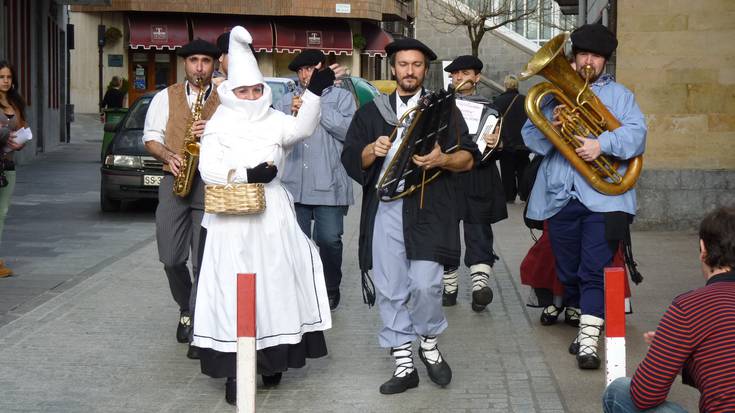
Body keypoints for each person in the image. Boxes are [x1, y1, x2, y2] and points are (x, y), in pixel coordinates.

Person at [192, 26, 336, 405]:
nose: (252, 96)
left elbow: (302, 128)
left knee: (275, 287)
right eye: (244, 90)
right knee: (231, 293)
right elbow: (208, 170)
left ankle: (272, 359)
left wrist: (315, 93)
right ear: (231, 92)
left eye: (257, 90)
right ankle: (234, 371)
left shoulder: (274, 119)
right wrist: (246, 175)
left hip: (271, 216)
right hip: (231, 220)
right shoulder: (219, 123)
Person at [341, 38, 479, 394]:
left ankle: (428, 343)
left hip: (428, 207)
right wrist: (371, 150)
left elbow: (468, 156)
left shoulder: (442, 111)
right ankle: (404, 359)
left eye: (417, 65)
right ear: (393, 68)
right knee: (390, 287)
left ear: (424, 70)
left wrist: (442, 159)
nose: (410, 71)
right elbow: (351, 158)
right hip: (385, 209)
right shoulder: (372, 113)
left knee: (426, 284)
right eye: (403, 64)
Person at [521, 23, 647, 370]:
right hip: (561, 197)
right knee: (568, 267)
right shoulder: (551, 94)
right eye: (583, 55)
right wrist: (556, 128)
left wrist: (601, 144)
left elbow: (637, 136)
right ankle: (584, 313)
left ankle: (589, 340)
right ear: (573, 58)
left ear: (605, 61)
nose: (588, 62)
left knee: (596, 268)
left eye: (596, 57)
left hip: (606, 201)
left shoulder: (621, 97)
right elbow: (530, 138)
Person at [602, 206, 735, 413]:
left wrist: (673, 352)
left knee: (619, 391)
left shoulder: (691, 307)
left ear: (703, 249)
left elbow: (643, 395)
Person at [142, 39, 221, 359]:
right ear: (184, 64)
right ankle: (185, 304)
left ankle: (196, 318)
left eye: (205, 61)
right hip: (175, 179)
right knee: (171, 257)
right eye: (194, 61)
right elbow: (150, 137)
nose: (200, 67)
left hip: (210, 183)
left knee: (204, 260)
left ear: (214, 65)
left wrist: (214, 132)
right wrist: (169, 155)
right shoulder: (166, 96)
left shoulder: (224, 99)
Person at [278, 49, 356, 310]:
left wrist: (315, 108)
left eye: (309, 69)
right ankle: (302, 288)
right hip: (292, 185)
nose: (304, 75)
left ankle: (331, 285)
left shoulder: (342, 98)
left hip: (328, 184)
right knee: (295, 242)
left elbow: (349, 131)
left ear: (321, 69)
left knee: (329, 239)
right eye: (300, 70)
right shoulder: (286, 99)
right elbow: (273, 133)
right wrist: (290, 112)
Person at [441, 55, 507, 311]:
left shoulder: (492, 109)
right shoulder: (440, 106)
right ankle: (449, 285)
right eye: (455, 74)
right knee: (445, 229)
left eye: (465, 73)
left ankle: (480, 287)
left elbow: (500, 148)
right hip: (447, 174)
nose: (459, 77)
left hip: (479, 175)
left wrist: (497, 144)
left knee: (479, 230)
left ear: (477, 77)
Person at [0, 61, 29, 278]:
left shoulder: (16, 104)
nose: (6, 81)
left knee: (2, 212)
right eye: (1, 77)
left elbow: (23, 128)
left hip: (8, 165)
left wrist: (22, 141)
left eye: (9, 77)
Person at [493, 74, 530, 203]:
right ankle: (525, 195)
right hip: (523, 142)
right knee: (523, 169)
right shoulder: (525, 100)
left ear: (505, 85)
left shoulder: (498, 101)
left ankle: (509, 196)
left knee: (507, 171)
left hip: (506, 142)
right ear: (517, 85)